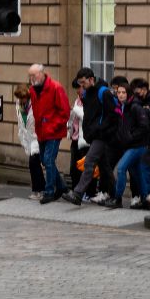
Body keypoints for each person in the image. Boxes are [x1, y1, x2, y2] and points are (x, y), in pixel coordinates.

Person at [63, 69, 119, 205]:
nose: (81, 86)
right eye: (80, 83)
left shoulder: (104, 92)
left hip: (103, 136)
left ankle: (78, 193)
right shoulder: (86, 93)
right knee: (105, 168)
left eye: (83, 82)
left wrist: (99, 128)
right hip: (93, 135)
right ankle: (116, 197)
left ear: (91, 79)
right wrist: (89, 132)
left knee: (89, 162)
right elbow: (89, 116)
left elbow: (113, 115)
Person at [109, 81, 150, 210]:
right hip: (128, 145)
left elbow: (144, 126)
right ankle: (145, 199)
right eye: (119, 92)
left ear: (128, 94)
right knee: (137, 173)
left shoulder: (135, 107)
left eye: (123, 92)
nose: (121, 95)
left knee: (121, 168)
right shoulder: (120, 107)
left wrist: (130, 137)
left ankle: (117, 198)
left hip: (138, 146)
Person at [24, 64, 70, 203]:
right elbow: (36, 111)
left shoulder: (56, 87)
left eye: (34, 75)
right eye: (30, 76)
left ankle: (49, 191)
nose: (31, 78)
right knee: (45, 160)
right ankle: (61, 186)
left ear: (42, 73)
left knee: (48, 159)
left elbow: (65, 112)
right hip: (41, 131)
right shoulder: (33, 90)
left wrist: (52, 127)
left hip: (53, 132)